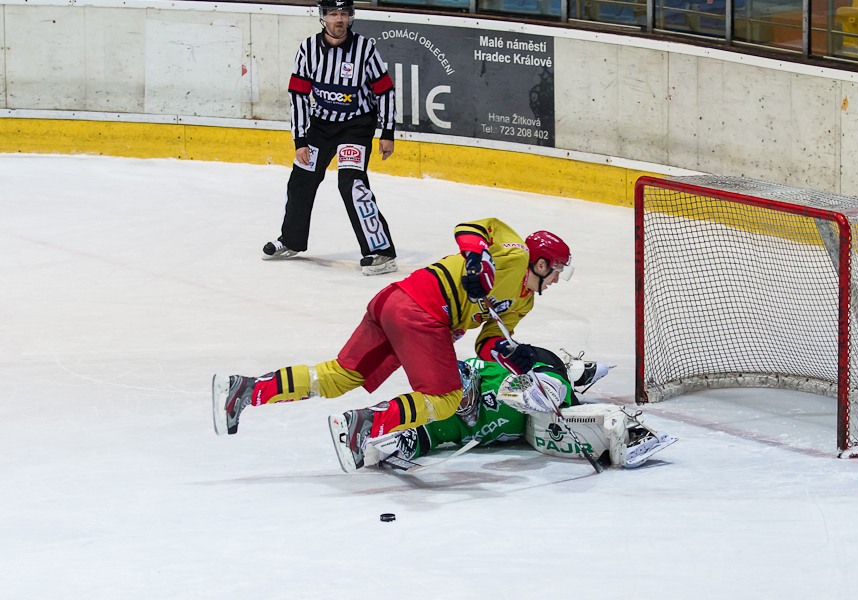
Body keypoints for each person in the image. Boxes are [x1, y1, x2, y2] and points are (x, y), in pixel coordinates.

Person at [212, 218, 574, 472]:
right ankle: (364, 425)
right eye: (557, 270)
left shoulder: (524, 302)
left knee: (340, 376)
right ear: (541, 264)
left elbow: (488, 343)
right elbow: (470, 229)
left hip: (396, 302)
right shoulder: (515, 254)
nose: (557, 280)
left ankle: (245, 390)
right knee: (446, 398)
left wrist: (513, 356)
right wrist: (477, 259)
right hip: (424, 312)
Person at [367, 348, 676, 470]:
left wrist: (551, 385)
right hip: (527, 432)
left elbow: (538, 364)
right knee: (547, 435)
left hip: (536, 398)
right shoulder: (444, 415)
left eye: (461, 395)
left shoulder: (497, 380)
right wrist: (399, 442)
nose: (459, 406)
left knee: (563, 413)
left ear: (472, 385)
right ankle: (573, 374)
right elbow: (425, 436)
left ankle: (575, 375)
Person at [263, 0, 399, 276]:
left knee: (351, 184)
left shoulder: (365, 49)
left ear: (351, 17)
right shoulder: (308, 49)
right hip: (321, 126)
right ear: (323, 17)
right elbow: (298, 95)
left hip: (356, 127)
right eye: (334, 14)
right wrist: (300, 140)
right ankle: (291, 241)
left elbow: (385, 90)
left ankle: (381, 252)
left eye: (344, 14)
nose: (339, 19)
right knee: (301, 179)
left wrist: (387, 132)